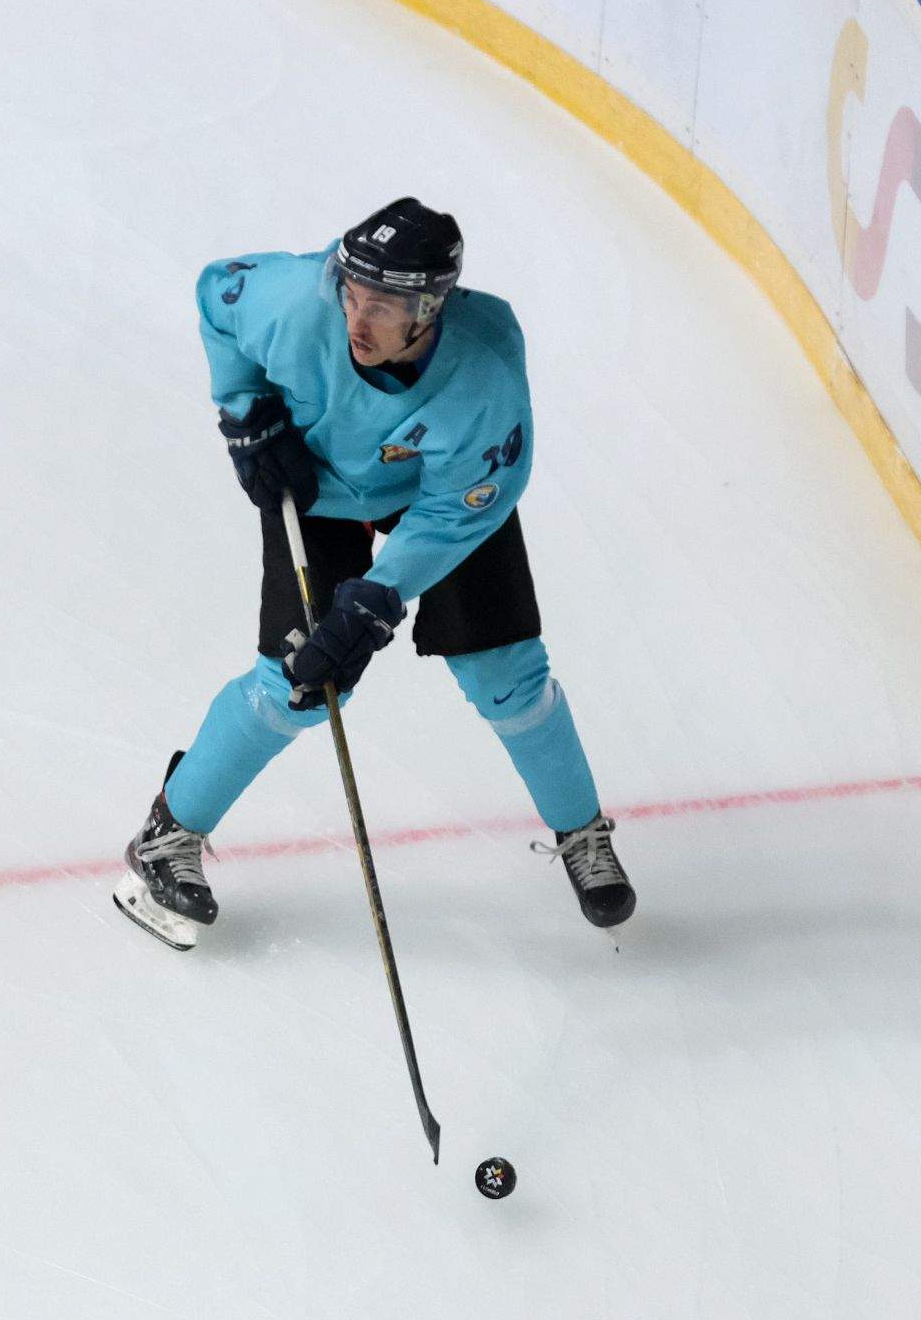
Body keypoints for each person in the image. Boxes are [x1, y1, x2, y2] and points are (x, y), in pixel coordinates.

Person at [117, 199, 635, 950]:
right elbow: (214, 294)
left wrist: (378, 598)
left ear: (431, 308)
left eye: (383, 307)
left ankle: (582, 831)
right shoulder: (300, 300)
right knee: (299, 680)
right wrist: (245, 411)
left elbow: (458, 512)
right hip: (317, 485)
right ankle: (168, 834)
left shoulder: (484, 375)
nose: (357, 322)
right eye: (352, 296)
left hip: (441, 499)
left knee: (508, 674)